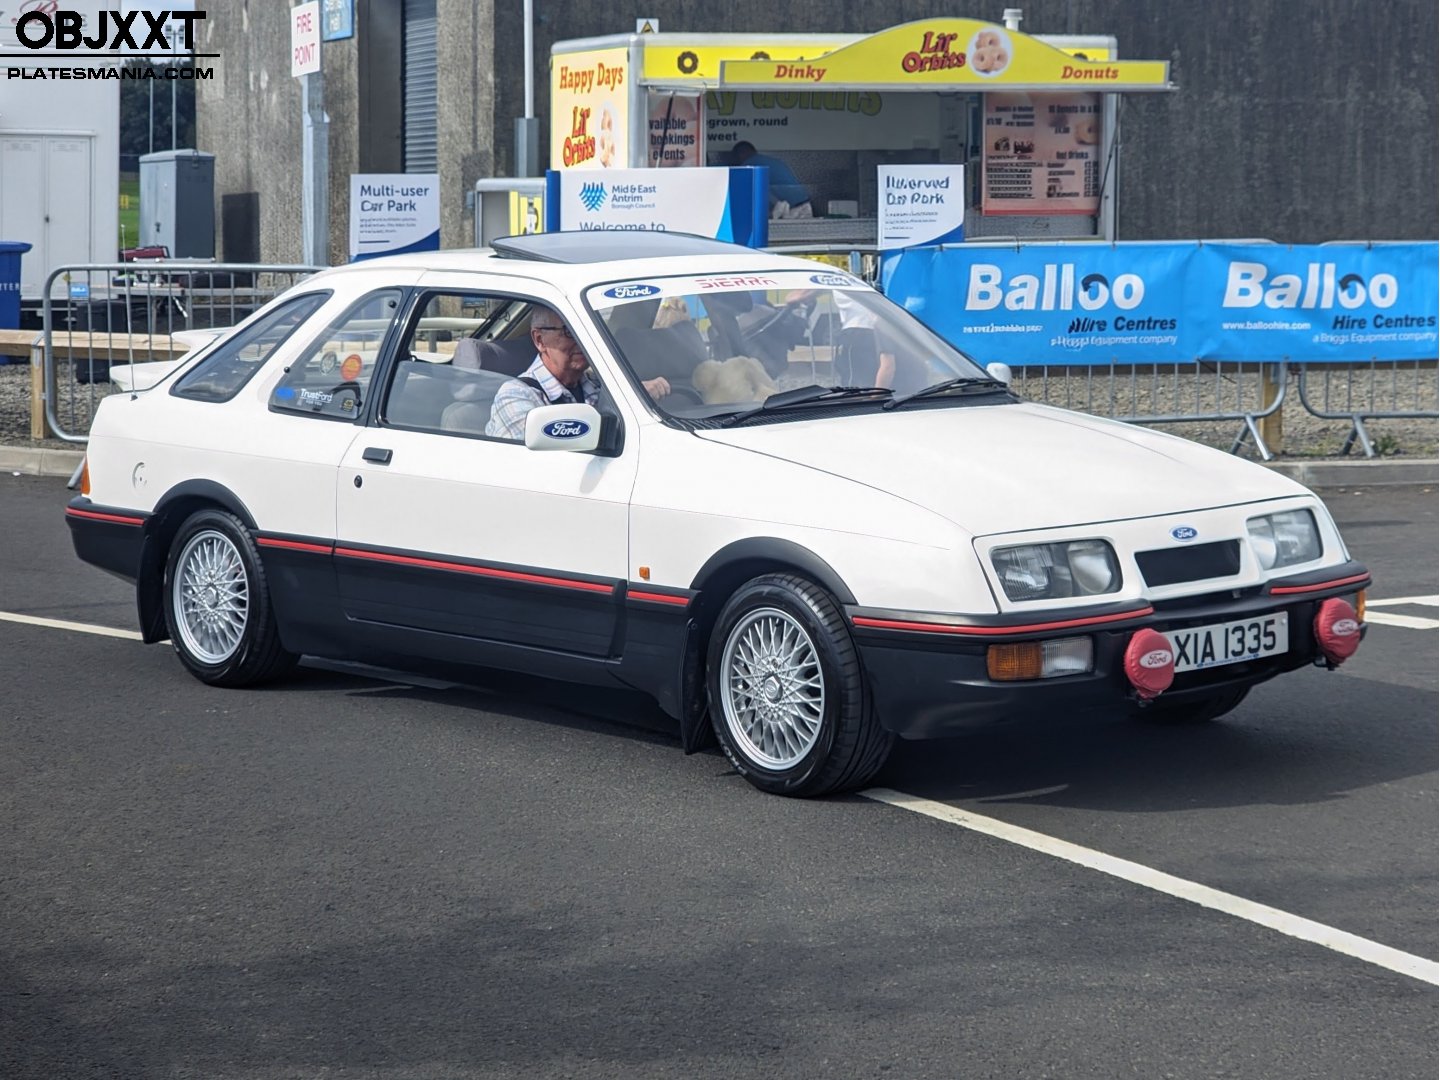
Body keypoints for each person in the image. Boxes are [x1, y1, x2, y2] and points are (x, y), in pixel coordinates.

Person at [485, 308, 670, 440]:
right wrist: (621, 406)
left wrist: (637, 396)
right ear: (539, 340)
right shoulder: (515, 396)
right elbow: (535, 467)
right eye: (569, 331)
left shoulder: (597, 384)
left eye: (587, 333)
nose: (584, 342)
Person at [727, 141, 812, 218]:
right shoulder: (771, 161)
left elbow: (739, 193)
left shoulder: (749, 165)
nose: (736, 160)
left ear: (741, 153)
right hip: (805, 204)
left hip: (791, 209)